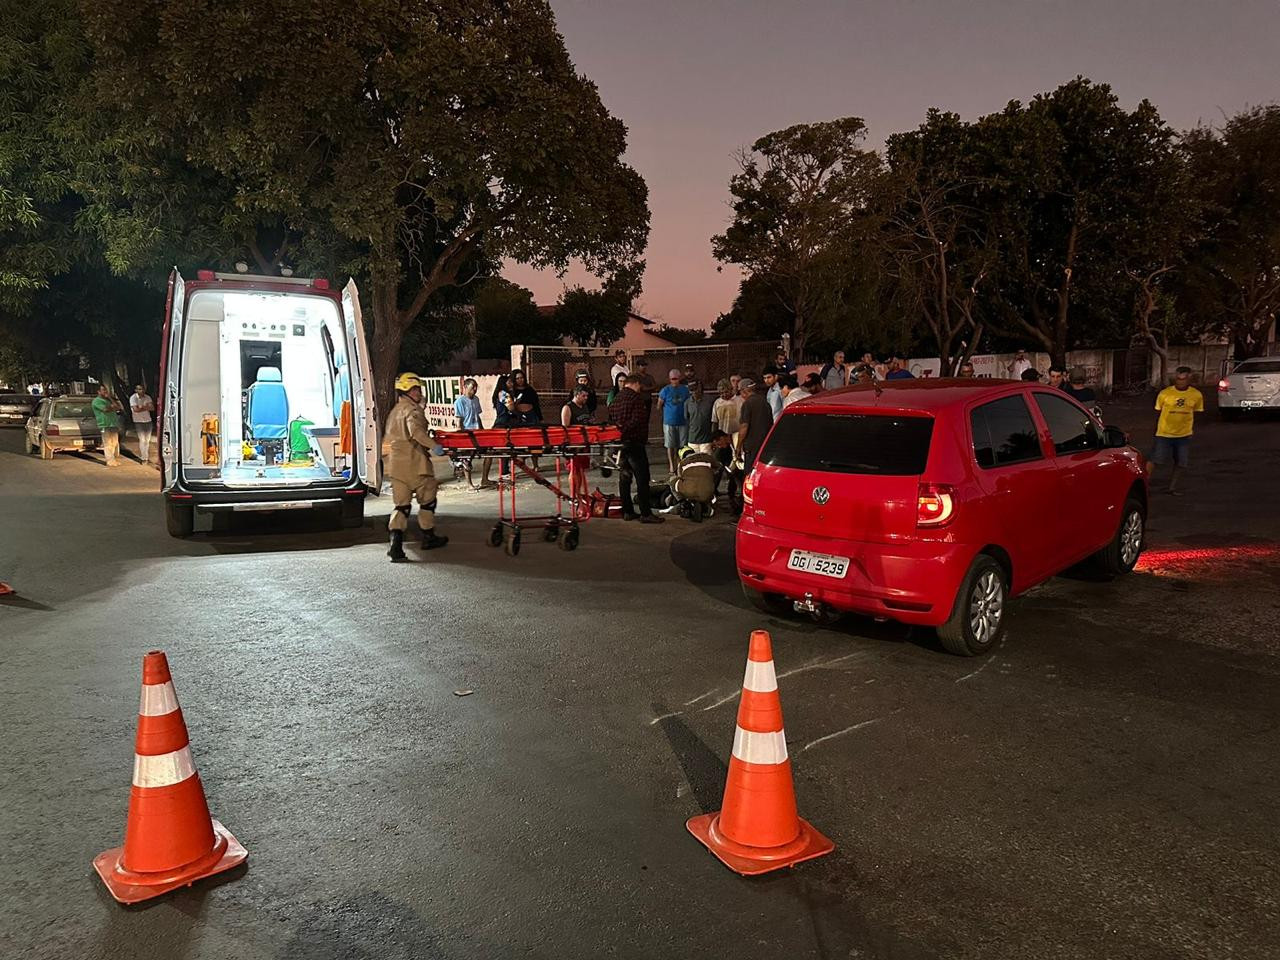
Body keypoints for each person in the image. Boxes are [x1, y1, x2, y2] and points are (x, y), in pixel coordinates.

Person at [384, 372, 448, 560]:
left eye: (418, 389)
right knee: (428, 501)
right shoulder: (412, 411)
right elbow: (416, 433)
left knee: (401, 507)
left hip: (397, 467)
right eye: (415, 389)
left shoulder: (395, 411)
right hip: (416, 464)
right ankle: (428, 536)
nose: (419, 393)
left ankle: (395, 546)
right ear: (406, 391)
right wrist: (434, 446)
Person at [609, 374, 663, 523]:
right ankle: (645, 513)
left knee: (624, 478)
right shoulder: (636, 399)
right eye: (640, 386)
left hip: (621, 444)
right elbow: (638, 419)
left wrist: (620, 432)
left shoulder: (617, 398)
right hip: (635, 443)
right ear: (636, 383)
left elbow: (611, 417)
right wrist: (626, 430)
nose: (641, 389)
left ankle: (627, 511)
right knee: (642, 478)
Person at [1147, 366, 1203, 497]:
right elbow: (1158, 411)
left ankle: (1172, 487)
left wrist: (1189, 429)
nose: (1180, 382)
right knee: (1155, 460)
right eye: (1178, 379)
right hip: (1164, 433)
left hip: (1183, 435)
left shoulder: (1196, 395)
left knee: (1181, 463)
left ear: (1189, 379)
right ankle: (1144, 484)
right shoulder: (1165, 394)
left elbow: (1196, 412)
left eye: (1183, 379)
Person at [561, 385, 595, 500]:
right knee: (574, 469)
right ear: (577, 395)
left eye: (587, 396)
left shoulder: (584, 407)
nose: (586, 398)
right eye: (583, 396)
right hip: (573, 444)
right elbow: (565, 427)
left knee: (581, 469)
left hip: (584, 442)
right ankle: (573, 495)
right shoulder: (568, 407)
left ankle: (578, 493)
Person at [657, 368, 691, 473]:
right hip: (669, 422)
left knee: (682, 445)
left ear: (679, 378)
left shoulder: (685, 390)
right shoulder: (665, 390)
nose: (674, 381)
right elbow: (659, 405)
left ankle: (681, 464)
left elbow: (689, 403)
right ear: (669, 379)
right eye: (672, 379)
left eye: (676, 379)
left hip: (682, 421)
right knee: (670, 445)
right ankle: (672, 465)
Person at [737, 378, 773, 473]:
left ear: (744, 391)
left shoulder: (747, 404)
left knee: (750, 473)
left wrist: (738, 447)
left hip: (752, 446)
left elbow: (744, 427)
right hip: (765, 445)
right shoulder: (765, 402)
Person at [452, 378, 483, 489]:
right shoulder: (459, 402)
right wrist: (461, 434)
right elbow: (459, 420)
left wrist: (482, 429)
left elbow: (478, 416)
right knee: (467, 459)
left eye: (475, 387)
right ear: (465, 387)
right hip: (466, 432)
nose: (474, 389)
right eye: (472, 387)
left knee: (472, 456)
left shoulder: (476, 399)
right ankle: (469, 484)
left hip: (476, 431)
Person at [92, 384, 124, 467]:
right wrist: (112, 407)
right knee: (108, 443)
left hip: (113, 423)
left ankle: (114, 459)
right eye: (103, 390)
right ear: (98, 392)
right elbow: (106, 409)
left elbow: (118, 407)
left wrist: (110, 398)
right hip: (104, 424)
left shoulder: (108, 400)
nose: (105, 392)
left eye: (106, 390)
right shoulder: (96, 401)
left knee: (114, 443)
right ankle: (110, 460)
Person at [685, 379, 715, 454]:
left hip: (707, 439)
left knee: (706, 460)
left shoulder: (710, 401)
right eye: (692, 390)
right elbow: (687, 419)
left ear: (700, 388)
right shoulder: (687, 403)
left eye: (696, 389)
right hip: (692, 439)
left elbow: (714, 420)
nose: (694, 392)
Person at [130, 384, 155, 464]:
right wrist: (146, 407)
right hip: (138, 421)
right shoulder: (133, 398)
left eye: (142, 389)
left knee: (147, 440)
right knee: (142, 439)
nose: (142, 391)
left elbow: (152, 408)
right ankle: (144, 458)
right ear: (136, 390)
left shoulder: (147, 397)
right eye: (139, 389)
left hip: (148, 420)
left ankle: (145, 456)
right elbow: (135, 410)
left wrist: (141, 407)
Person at [712, 379, 740, 445]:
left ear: (731, 389)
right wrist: (714, 437)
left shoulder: (739, 400)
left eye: (726, 392)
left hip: (736, 433)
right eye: (721, 393)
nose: (724, 395)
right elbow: (715, 421)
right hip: (722, 436)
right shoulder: (717, 403)